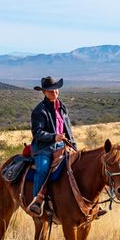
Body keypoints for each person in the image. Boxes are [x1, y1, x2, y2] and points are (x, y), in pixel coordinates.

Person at [28, 76, 77, 216]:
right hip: (44, 148)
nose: (54, 92)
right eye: (50, 91)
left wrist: (74, 146)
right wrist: (53, 137)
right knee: (43, 168)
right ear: (44, 92)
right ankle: (37, 201)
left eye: (56, 90)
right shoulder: (39, 110)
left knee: (79, 166)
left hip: (63, 145)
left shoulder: (62, 107)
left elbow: (68, 130)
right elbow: (37, 133)